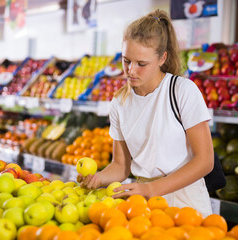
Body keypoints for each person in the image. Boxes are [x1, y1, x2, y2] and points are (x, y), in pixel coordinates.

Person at [78, 9, 214, 217]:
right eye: (126, 61)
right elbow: (120, 166)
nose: (131, 70)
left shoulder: (182, 91)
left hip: (186, 200)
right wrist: (98, 179)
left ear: (162, 58)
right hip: (143, 203)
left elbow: (204, 160)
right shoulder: (119, 102)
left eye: (141, 64)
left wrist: (152, 189)